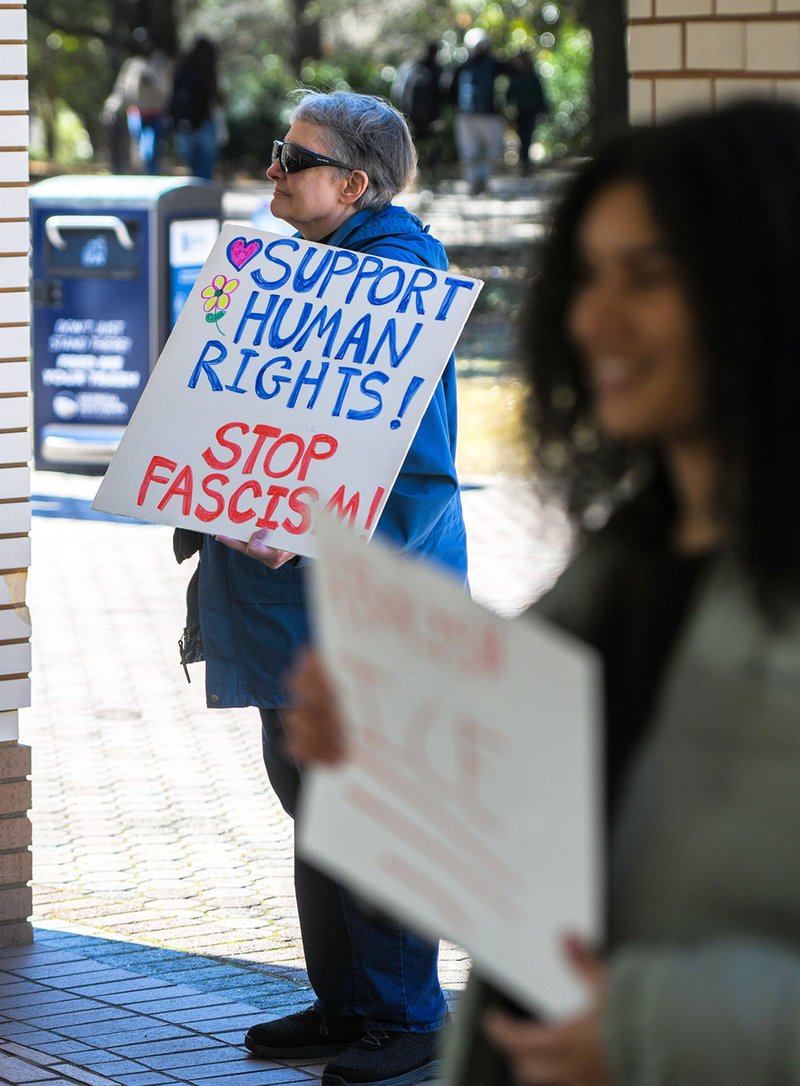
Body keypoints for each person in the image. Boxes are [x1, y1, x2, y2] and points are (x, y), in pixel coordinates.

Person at [283, 97, 800, 1086]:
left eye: (645, 278)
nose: (591, 318)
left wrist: (648, 1029)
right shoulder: (622, 564)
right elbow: (538, 869)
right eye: (589, 275)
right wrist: (403, 776)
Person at [176, 90, 467, 1086]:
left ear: (354, 184)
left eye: (289, 157)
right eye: (273, 152)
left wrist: (307, 533)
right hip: (284, 600)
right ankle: (348, 1003)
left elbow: (420, 475)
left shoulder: (394, 291)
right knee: (315, 803)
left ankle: (403, 1016)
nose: (270, 170)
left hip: (354, 603)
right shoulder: (309, 272)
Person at [446, 28, 511, 195]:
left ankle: (479, 181)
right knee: (479, 149)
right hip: (480, 115)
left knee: (473, 150)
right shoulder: (488, 63)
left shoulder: (463, 65)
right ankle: (478, 182)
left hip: (470, 114)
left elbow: (447, 87)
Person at [101, 27, 173, 174]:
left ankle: (152, 177)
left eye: (147, 42)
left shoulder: (163, 63)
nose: (144, 45)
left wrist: (152, 78)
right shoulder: (132, 65)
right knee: (139, 153)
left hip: (156, 115)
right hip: (136, 114)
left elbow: (168, 90)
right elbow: (121, 89)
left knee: (150, 150)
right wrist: (111, 107)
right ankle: (145, 177)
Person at [169, 37, 224, 180]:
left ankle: (201, 188)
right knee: (200, 161)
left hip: (196, 121)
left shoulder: (204, 70)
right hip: (194, 121)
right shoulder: (186, 70)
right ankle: (200, 188)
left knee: (200, 161)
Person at [392, 42, 444, 188]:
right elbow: (442, 94)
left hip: (409, 117)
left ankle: (412, 181)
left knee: (412, 148)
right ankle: (431, 178)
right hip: (430, 119)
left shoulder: (407, 68)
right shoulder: (436, 69)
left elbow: (397, 92)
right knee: (431, 147)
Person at [506, 52, 547, 176]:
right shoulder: (516, 77)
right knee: (521, 137)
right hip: (520, 112)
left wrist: (542, 111)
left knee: (528, 137)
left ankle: (526, 163)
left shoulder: (532, 77)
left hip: (531, 112)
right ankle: (523, 163)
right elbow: (509, 94)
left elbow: (539, 95)